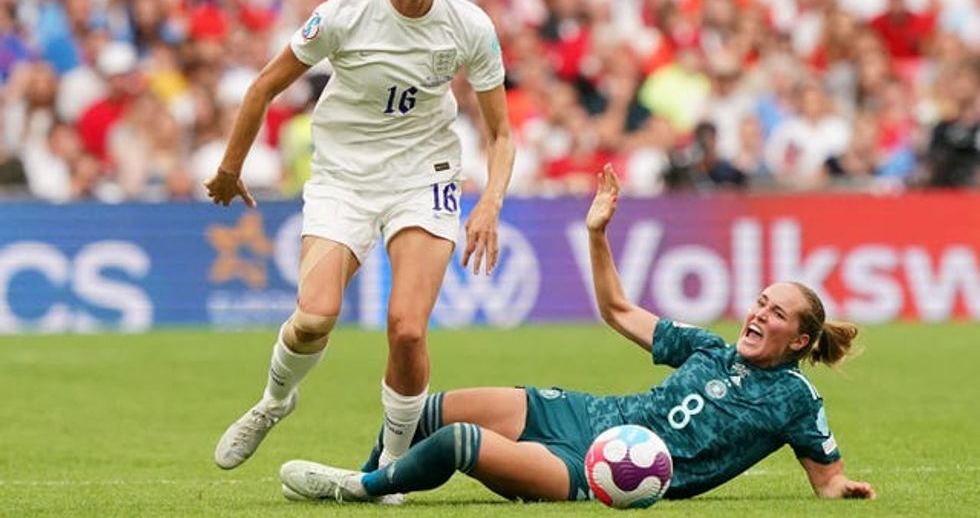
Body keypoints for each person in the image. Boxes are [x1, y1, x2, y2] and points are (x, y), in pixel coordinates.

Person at [277, 165, 876, 504]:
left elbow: (828, 479)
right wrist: (597, 233)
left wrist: (842, 488)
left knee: (459, 441)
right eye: (761, 301)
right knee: (428, 411)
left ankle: (358, 488)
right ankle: (386, 482)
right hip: (585, 414)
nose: (759, 314)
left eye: (776, 314)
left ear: (800, 341)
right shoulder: (707, 347)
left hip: (600, 468)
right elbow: (617, 309)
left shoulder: (795, 399)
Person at [205, 0, 515, 473]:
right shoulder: (345, 12)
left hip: (424, 177)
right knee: (314, 317)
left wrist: (491, 202)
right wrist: (229, 169)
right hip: (344, 177)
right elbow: (263, 87)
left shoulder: (469, 25)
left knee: (407, 329)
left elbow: (501, 133)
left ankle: (392, 466)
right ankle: (274, 402)